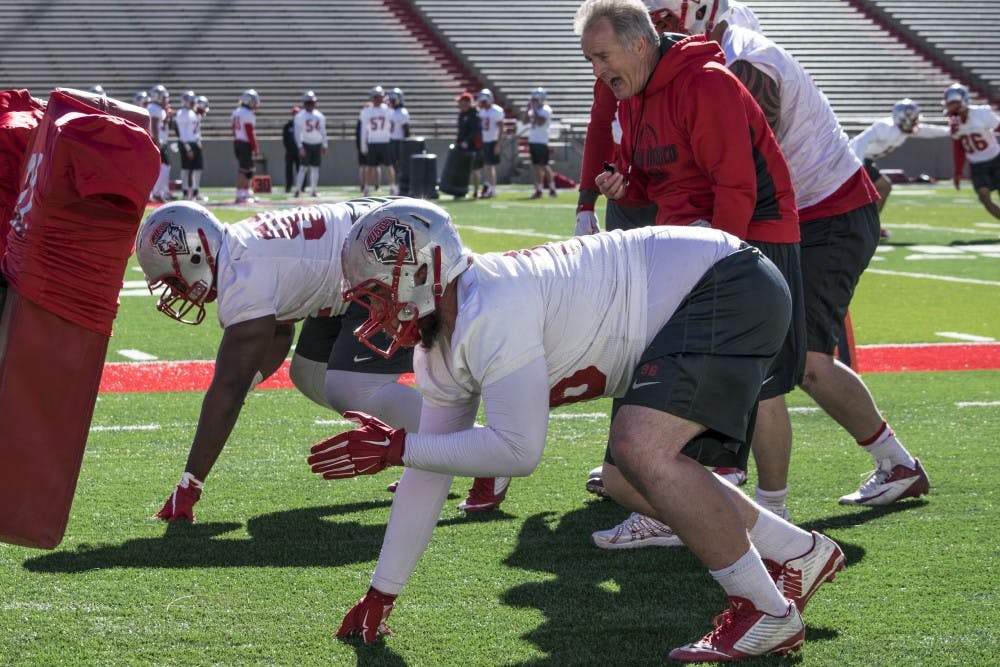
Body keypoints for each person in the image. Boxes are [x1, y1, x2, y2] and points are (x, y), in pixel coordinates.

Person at [313, 198, 845, 661]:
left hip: (723, 281)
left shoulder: (490, 309)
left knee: (640, 448)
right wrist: (382, 592)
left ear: (424, 270)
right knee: (626, 476)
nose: (375, 314)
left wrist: (398, 446)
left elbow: (518, 452)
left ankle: (764, 610)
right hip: (703, 290)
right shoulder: (441, 344)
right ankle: (798, 552)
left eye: (378, 294)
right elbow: (433, 469)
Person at [574, 0, 809, 551]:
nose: (598, 71)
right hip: (693, 243)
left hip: (750, 242)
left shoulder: (705, 82)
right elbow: (652, 183)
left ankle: (770, 515)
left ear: (639, 43)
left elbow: (737, 186)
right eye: (590, 60)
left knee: (761, 386)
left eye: (603, 56)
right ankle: (715, 500)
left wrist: (713, 260)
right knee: (702, 379)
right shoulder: (634, 92)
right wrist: (620, 189)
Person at [134, 197, 422, 522]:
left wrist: (190, 484)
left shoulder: (242, 276)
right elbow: (280, 335)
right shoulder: (239, 249)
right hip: (370, 249)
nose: (177, 292)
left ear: (196, 254)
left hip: (392, 250)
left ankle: (467, 452)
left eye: (174, 281)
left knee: (349, 387)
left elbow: (228, 389)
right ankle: (427, 449)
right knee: (310, 373)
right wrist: (245, 384)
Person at [575, 0, 759, 236]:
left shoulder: (713, 67)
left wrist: (724, 247)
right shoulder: (619, 66)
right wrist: (587, 202)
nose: (657, 28)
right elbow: (601, 124)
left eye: (664, 20)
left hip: (704, 193)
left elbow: (737, 171)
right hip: (647, 182)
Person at [849, 99, 950, 235]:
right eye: (913, 118)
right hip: (852, 158)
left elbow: (929, 131)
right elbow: (859, 142)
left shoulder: (903, 129)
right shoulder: (885, 127)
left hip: (862, 160)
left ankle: (868, 226)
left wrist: (950, 131)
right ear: (904, 118)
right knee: (880, 188)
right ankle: (865, 227)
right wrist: (858, 170)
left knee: (882, 189)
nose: (916, 122)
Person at [943, 83, 1000, 220]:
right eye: (951, 103)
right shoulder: (954, 123)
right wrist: (958, 172)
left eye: (955, 102)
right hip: (977, 165)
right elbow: (958, 149)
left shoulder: (982, 113)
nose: (953, 107)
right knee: (984, 198)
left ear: (964, 100)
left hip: (996, 159)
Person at [521, 87, 557, 198]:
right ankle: (539, 190)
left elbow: (541, 122)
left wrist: (534, 110)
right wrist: (528, 110)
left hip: (541, 141)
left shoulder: (545, 109)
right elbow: (524, 121)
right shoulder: (533, 110)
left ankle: (552, 189)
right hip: (533, 140)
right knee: (536, 167)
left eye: (535, 100)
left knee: (544, 166)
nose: (534, 102)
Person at [359, 85, 394, 196]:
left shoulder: (388, 110)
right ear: (372, 98)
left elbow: (394, 124)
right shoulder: (367, 111)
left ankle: (392, 187)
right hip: (373, 141)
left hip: (385, 141)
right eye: (376, 97)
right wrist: (363, 145)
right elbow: (364, 130)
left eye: (379, 97)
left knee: (389, 166)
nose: (378, 99)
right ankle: (367, 188)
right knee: (370, 167)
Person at [293, 90, 328, 198]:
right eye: (308, 103)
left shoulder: (319, 116)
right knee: (303, 168)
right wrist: (300, 146)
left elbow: (323, 131)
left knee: (315, 168)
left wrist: (324, 144)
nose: (310, 105)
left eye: (312, 102)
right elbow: (297, 133)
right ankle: (298, 189)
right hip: (306, 144)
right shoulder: (300, 116)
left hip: (317, 144)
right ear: (304, 103)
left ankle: (313, 190)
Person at [174, 90, 206, 201]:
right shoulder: (182, 114)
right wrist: (187, 148)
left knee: (197, 168)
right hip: (186, 143)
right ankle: (186, 193)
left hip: (195, 143)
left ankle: (195, 192)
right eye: (190, 101)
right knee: (186, 169)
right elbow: (182, 135)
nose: (193, 102)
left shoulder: (192, 112)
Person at [231, 88, 260, 204]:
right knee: (244, 170)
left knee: (248, 170)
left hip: (238, 141)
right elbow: (250, 132)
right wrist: (255, 147)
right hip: (245, 143)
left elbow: (233, 130)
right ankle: (240, 194)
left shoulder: (236, 112)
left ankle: (246, 192)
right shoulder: (247, 114)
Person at [476, 88, 505, 199]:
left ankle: (492, 189)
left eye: (483, 102)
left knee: (489, 166)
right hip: (485, 141)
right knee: (486, 166)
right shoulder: (482, 111)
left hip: (492, 140)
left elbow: (502, 128)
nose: (481, 104)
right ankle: (488, 186)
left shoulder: (496, 111)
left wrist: (498, 144)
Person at [147, 84, 173, 203]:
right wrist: (157, 142)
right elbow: (154, 126)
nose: (166, 100)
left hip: (159, 140)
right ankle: (156, 192)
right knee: (163, 167)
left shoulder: (157, 108)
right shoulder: (154, 108)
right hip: (155, 140)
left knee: (164, 167)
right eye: (164, 97)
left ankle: (157, 192)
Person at [388, 87, 410, 194]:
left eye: (393, 100)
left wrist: (405, 144)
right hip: (393, 141)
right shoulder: (394, 111)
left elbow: (406, 130)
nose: (391, 102)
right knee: (394, 165)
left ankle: (400, 186)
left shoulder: (402, 112)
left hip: (399, 142)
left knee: (399, 165)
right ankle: (396, 186)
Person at [283, 106, 301, 194]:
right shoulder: (288, 126)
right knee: (289, 170)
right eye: (294, 113)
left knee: (301, 170)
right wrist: (288, 148)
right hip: (290, 151)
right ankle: (288, 186)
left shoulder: (302, 125)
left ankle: (301, 187)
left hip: (300, 151)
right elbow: (285, 139)